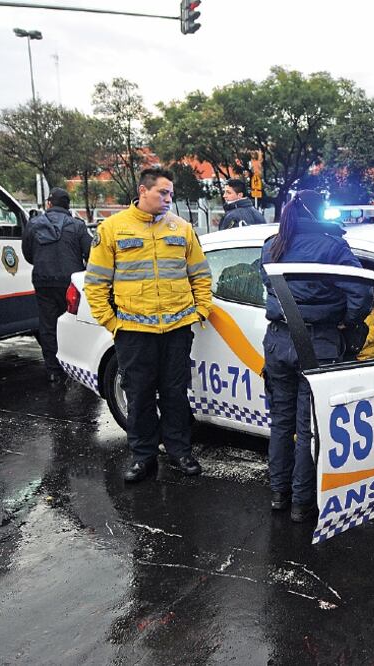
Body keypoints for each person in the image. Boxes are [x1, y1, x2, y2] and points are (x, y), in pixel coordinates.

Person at [84, 167, 213, 483]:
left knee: (175, 394)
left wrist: (201, 311)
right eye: (163, 193)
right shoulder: (113, 229)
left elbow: (200, 274)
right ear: (143, 191)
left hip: (177, 329)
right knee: (139, 395)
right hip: (134, 333)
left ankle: (180, 451)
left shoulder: (181, 229)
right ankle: (143, 457)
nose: (169, 199)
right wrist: (112, 323)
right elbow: (96, 283)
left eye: (171, 193)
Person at [259, 190, 371, 522]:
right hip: (318, 342)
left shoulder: (272, 244)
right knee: (307, 427)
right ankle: (301, 504)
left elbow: (267, 281)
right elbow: (362, 292)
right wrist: (346, 320)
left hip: (278, 340)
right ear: (321, 213)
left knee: (280, 422)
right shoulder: (333, 247)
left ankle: (279, 494)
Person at [22, 187, 92, 383]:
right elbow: (91, 253)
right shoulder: (77, 226)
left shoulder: (34, 224)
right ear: (68, 206)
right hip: (71, 283)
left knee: (48, 326)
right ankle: (77, 369)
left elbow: (28, 253)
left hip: (43, 281)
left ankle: (54, 371)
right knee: (75, 324)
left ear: (49, 204)